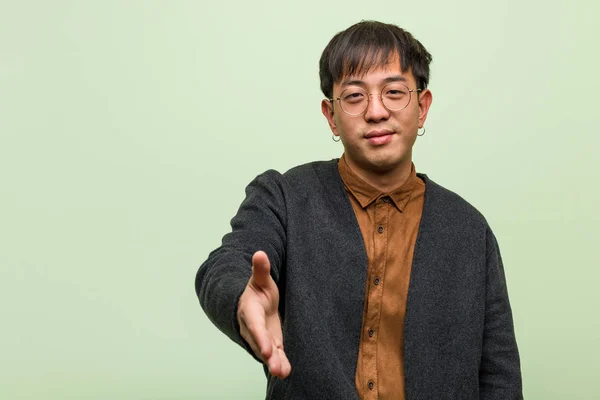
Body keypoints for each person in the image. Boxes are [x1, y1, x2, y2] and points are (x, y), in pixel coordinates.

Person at [195, 20, 522, 399]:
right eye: (354, 96)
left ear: (423, 106)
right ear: (331, 115)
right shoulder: (284, 197)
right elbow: (226, 263)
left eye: (394, 92)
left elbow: (499, 377)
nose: (376, 111)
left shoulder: (469, 230)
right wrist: (241, 299)